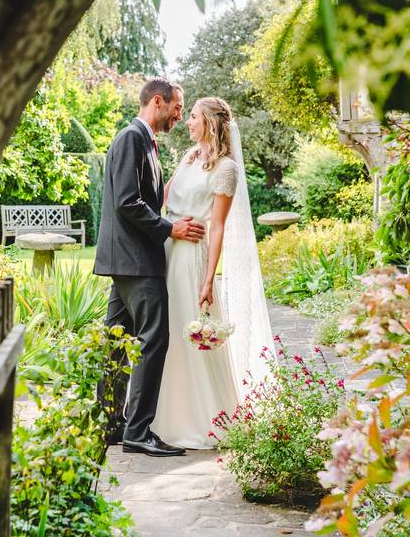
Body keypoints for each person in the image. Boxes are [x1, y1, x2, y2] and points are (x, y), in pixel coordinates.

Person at [153, 97, 276, 449]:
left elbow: (218, 227)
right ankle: (157, 416)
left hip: (192, 255)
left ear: (208, 121)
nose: (187, 122)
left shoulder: (226, 169)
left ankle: (204, 419)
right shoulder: (188, 157)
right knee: (164, 334)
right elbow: (162, 198)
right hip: (166, 249)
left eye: (192, 117)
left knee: (187, 332)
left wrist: (209, 279)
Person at [94, 77, 206, 457]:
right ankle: (137, 431)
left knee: (117, 340)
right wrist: (170, 228)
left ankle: (111, 423)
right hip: (137, 260)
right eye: (177, 107)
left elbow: (145, 198)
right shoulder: (131, 138)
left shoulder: (146, 142)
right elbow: (128, 202)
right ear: (157, 101)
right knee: (152, 341)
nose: (179, 115)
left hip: (128, 259)